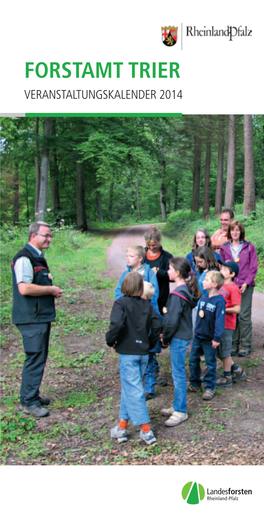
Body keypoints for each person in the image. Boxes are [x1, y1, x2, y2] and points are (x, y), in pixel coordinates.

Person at [11, 221, 63, 418]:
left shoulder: (36, 257)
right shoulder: (25, 258)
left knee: (38, 356)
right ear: (33, 236)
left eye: (50, 235)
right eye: (46, 235)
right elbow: (24, 288)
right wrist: (50, 289)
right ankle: (29, 402)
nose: (49, 239)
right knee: (34, 358)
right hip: (31, 317)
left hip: (39, 316)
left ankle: (32, 395)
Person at [106, 272, 161, 445]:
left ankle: (146, 431)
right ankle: (121, 429)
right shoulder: (146, 305)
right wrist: (150, 343)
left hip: (128, 353)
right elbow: (157, 324)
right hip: (143, 353)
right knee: (129, 389)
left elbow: (117, 324)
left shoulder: (120, 303)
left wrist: (111, 340)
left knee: (135, 391)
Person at [159, 258, 198, 426]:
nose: (167, 271)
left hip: (178, 338)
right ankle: (177, 405)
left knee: (178, 374)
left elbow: (171, 321)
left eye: (169, 268)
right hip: (183, 336)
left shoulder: (177, 295)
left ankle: (181, 410)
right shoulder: (185, 290)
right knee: (178, 372)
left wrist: (165, 338)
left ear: (177, 273)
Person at [220, 221, 258, 356]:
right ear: (229, 232)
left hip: (245, 285)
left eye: (237, 230)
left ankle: (245, 344)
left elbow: (253, 267)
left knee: (244, 315)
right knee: (232, 314)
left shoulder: (248, 247)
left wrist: (247, 283)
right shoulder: (224, 248)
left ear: (241, 232)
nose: (235, 233)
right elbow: (222, 267)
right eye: (232, 230)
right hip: (230, 286)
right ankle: (233, 343)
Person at [189, 271, 226, 401]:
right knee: (193, 359)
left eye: (206, 280)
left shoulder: (219, 301)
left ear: (214, 284)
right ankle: (195, 382)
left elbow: (220, 321)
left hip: (210, 338)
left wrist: (216, 338)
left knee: (210, 362)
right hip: (198, 335)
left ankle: (210, 387)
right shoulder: (203, 297)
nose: (203, 282)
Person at [144, 226, 173, 388]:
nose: (151, 247)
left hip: (161, 299)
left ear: (159, 242)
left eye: (154, 245)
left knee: (157, 333)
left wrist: (158, 272)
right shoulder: (142, 255)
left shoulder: (166, 257)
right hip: (144, 301)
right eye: (149, 245)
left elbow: (172, 276)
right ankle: (150, 370)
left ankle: (153, 369)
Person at [216, 260, 245, 387]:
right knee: (219, 351)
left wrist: (222, 309)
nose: (221, 270)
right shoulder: (221, 286)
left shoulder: (233, 288)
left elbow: (237, 309)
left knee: (225, 352)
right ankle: (236, 370)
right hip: (219, 324)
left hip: (227, 325)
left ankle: (227, 376)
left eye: (224, 269)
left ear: (232, 274)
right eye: (221, 268)